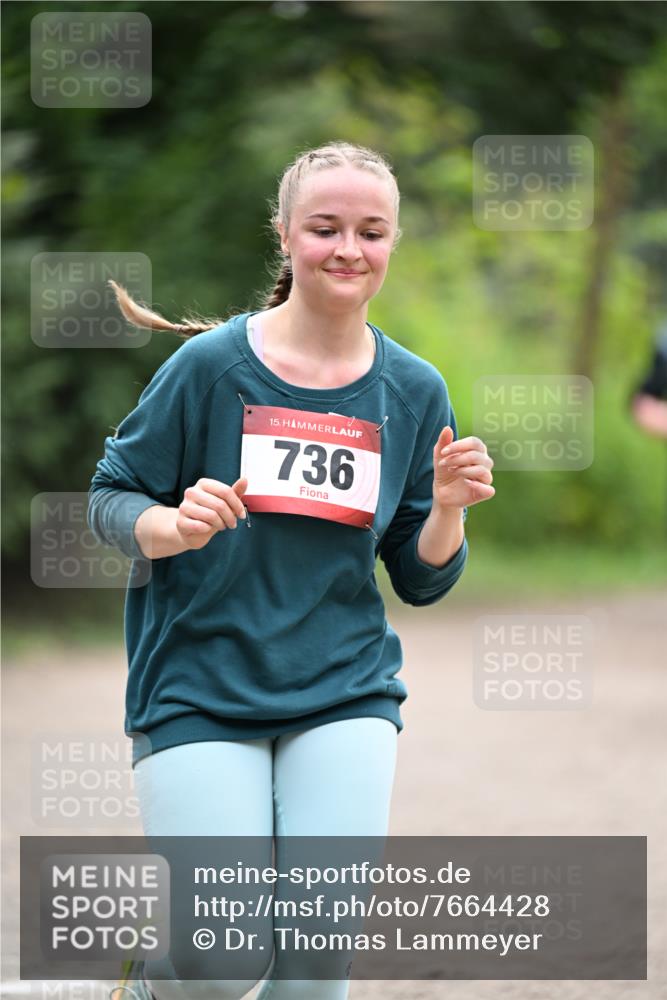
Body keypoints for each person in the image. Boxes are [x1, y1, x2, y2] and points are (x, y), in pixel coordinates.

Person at [88, 141, 495, 1000]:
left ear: (391, 242)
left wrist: (448, 506)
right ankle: (149, 980)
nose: (348, 248)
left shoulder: (414, 390)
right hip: (200, 685)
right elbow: (109, 499)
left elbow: (419, 578)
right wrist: (170, 524)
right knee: (217, 962)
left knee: (314, 963)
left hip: (343, 689)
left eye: (370, 231)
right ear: (285, 236)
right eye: (324, 227)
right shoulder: (207, 369)